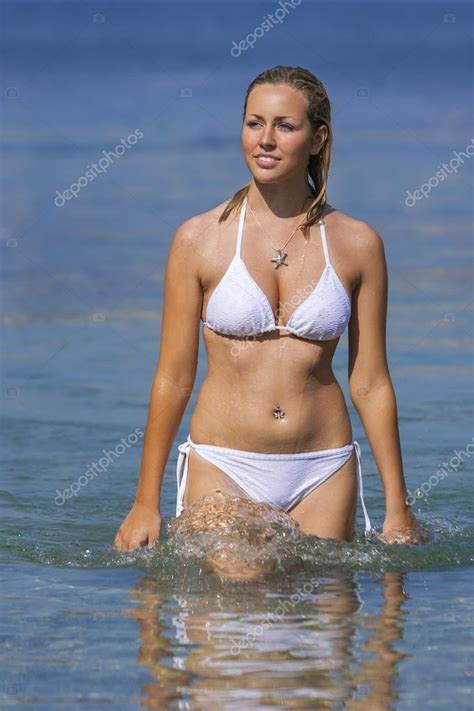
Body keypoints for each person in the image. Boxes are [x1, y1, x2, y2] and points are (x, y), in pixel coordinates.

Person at [113, 65, 427, 554]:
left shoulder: (358, 244)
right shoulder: (198, 239)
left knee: (325, 614)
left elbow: (371, 381)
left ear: (318, 138)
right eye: (254, 122)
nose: (265, 139)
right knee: (236, 597)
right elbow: (173, 378)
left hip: (323, 468)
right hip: (224, 465)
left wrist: (397, 506)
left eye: (285, 125)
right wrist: (144, 503)